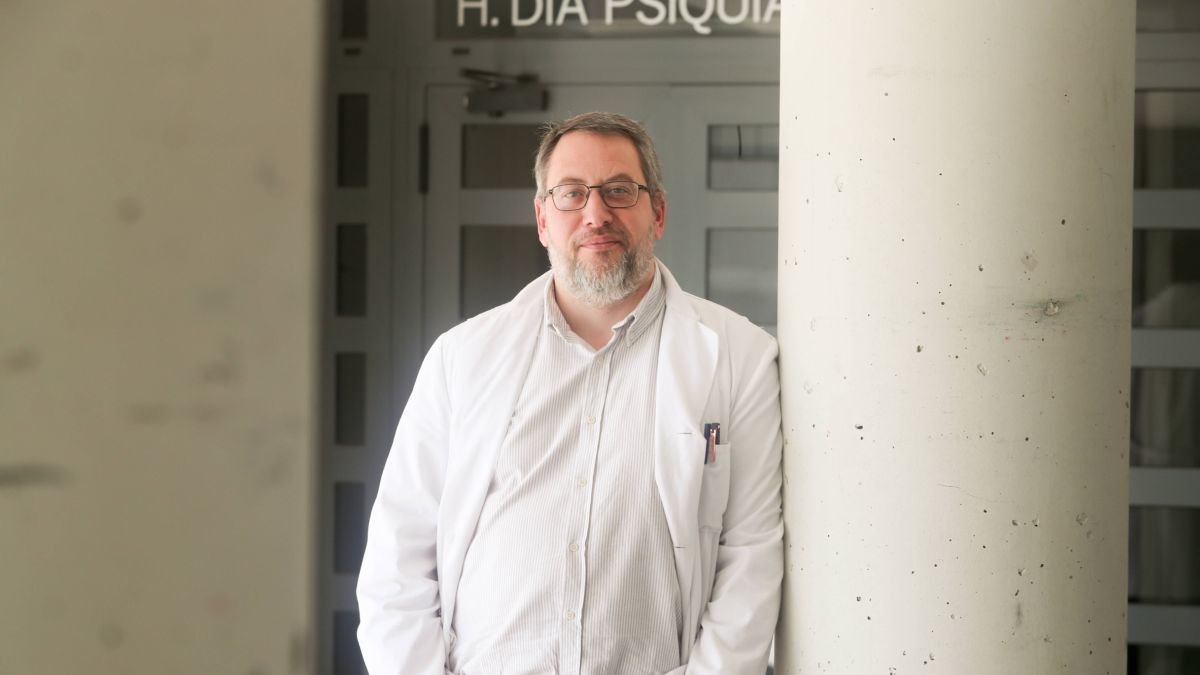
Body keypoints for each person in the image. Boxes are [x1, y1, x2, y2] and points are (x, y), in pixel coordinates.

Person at [357, 111, 783, 675]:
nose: (595, 214)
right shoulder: (461, 358)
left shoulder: (739, 356)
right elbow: (397, 555)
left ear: (657, 212)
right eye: (571, 194)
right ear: (542, 218)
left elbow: (750, 557)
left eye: (619, 191)